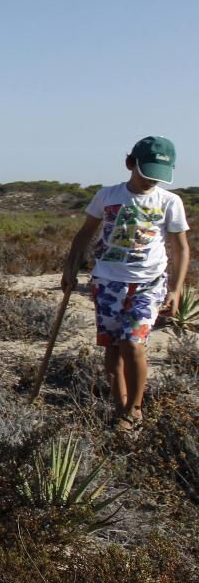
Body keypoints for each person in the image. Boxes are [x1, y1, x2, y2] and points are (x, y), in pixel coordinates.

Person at [61, 136, 190, 432]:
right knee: (113, 348)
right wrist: (70, 268)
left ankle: (135, 410)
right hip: (107, 282)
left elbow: (181, 247)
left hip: (149, 284)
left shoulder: (169, 201)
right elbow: (84, 234)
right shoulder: (107, 195)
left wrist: (176, 288)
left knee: (133, 343)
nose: (152, 181)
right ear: (130, 163)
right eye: (147, 172)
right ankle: (120, 411)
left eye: (159, 175)